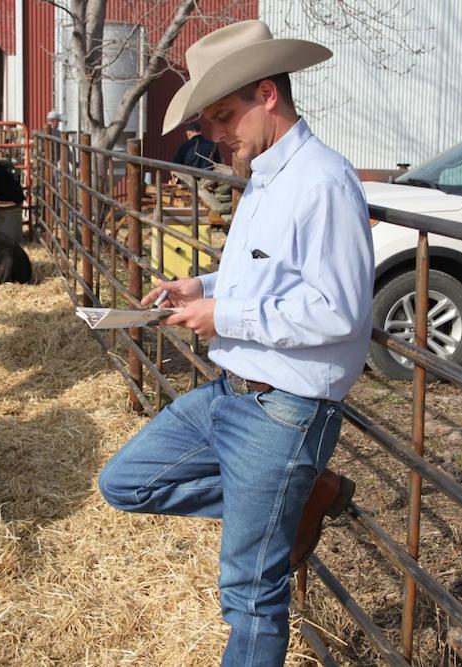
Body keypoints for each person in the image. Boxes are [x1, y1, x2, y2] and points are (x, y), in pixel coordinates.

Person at [98, 20, 374, 667]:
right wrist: (202, 283)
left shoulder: (323, 182)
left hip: (284, 405)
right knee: (126, 481)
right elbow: (270, 272)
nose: (215, 134)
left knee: (250, 593)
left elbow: (337, 311)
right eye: (211, 120)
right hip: (235, 392)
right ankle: (297, 492)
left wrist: (224, 312)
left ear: (268, 94)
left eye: (224, 115)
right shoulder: (268, 176)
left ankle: (287, 490)